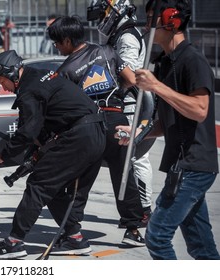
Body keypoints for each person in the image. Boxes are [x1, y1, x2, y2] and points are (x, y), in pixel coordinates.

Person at [117, 0, 220, 260]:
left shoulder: (192, 61)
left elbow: (200, 109)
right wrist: (136, 133)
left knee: (157, 235)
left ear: (171, 20)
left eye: (151, 17)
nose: (146, 24)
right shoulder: (164, 63)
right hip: (180, 165)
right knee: (201, 246)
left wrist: (156, 87)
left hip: (194, 165)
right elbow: (165, 122)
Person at [0, 50, 106, 259]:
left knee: (38, 185)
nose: (3, 87)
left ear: (12, 74)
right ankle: (74, 238)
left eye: (2, 81)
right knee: (54, 189)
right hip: (96, 133)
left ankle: (14, 242)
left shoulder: (29, 90)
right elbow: (46, 122)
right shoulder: (41, 75)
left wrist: (1, 156)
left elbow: (27, 131)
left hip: (78, 136)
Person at [47, 15, 146, 254]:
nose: (56, 47)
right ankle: (133, 230)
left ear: (68, 40)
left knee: (79, 181)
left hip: (90, 126)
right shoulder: (108, 51)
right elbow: (132, 81)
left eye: (57, 42)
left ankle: (74, 234)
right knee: (124, 177)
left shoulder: (64, 71)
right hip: (118, 121)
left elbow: (62, 108)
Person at [90, 0, 154, 227]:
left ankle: (144, 209)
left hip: (131, 104)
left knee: (134, 158)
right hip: (128, 103)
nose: (99, 21)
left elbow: (128, 77)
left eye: (101, 15)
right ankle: (140, 209)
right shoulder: (121, 34)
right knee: (128, 158)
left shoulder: (126, 37)